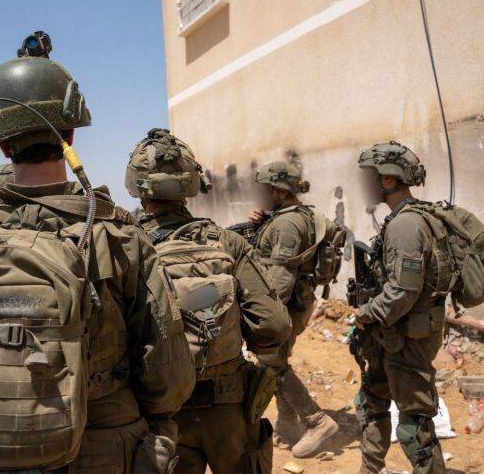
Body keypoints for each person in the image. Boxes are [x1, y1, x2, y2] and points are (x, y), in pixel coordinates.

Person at [0, 50, 195, 474]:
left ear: (2, 145)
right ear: (69, 137)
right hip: (106, 449)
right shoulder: (118, 235)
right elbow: (168, 379)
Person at [125, 128, 292, 474]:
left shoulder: (126, 249)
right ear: (190, 183)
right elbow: (273, 327)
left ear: (137, 186)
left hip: (160, 413)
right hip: (228, 407)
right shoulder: (228, 243)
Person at [353, 141, 446, 474]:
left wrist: (365, 314)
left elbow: (403, 292)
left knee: (414, 427)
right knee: (372, 403)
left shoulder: (407, 226)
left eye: (370, 177)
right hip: (389, 333)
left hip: (407, 338)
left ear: (389, 180)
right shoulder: (400, 219)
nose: (364, 184)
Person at [247, 161, 340, 458]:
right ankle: (288, 422)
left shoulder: (287, 224)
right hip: (296, 302)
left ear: (277, 190)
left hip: (286, 304)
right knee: (277, 360)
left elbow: (281, 279)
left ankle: (317, 421)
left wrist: (263, 317)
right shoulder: (293, 216)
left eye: (264, 190)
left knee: (269, 362)